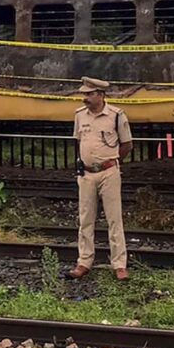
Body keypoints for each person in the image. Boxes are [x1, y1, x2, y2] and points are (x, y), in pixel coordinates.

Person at [67, 77, 133, 281]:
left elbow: (127, 144)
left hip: (109, 172)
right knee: (85, 218)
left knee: (114, 219)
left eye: (89, 94)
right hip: (87, 173)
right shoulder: (80, 115)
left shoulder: (116, 115)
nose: (85, 97)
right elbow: (78, 141)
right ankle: (84, 261)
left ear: (101, 95)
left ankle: (119, 265)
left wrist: (111, 161)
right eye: (84, 94)